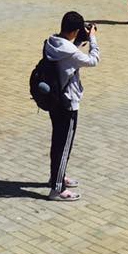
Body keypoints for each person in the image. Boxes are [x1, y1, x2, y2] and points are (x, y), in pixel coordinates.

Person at [42, 11, 100, 202]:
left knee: (57, 142)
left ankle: (57, 176)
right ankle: (57, 189)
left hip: (54, 100)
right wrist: (92, 39)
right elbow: (93, 60)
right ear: (75, 30)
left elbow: (68, 53)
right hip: (68, 103)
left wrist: (79, 40)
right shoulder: (71, 52)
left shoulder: (52, 42)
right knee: (64, 145)